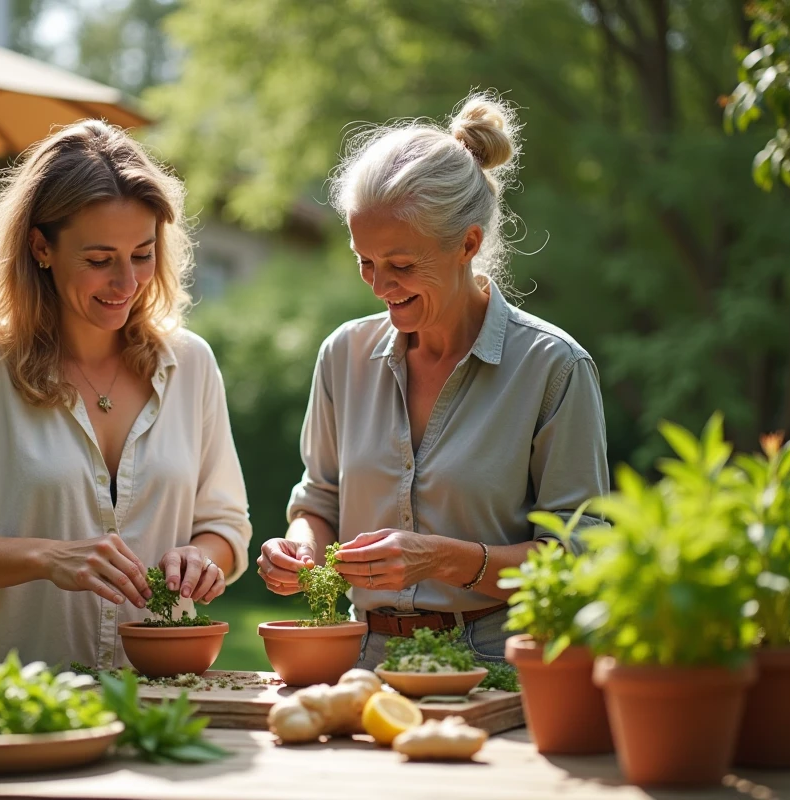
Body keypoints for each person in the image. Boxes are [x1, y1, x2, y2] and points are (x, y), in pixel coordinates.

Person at [0, 121, 251, 678]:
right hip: (7, 710)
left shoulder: (190, 364)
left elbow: (225, 523)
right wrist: (50, 558)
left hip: (160, 702)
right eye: (100, 259)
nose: (126, 282)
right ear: (41, 248)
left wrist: (204, 557)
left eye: (143, 254)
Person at [256, 92, 609, 667]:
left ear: (467, 244)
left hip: (501, 661)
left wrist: (442, 559)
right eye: (364, 261)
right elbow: (319, 501)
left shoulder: (553, 367)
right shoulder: (342, 354)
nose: (377, 285)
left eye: (400, 265)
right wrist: (300, 549)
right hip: (358, 660)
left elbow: (579, 558)